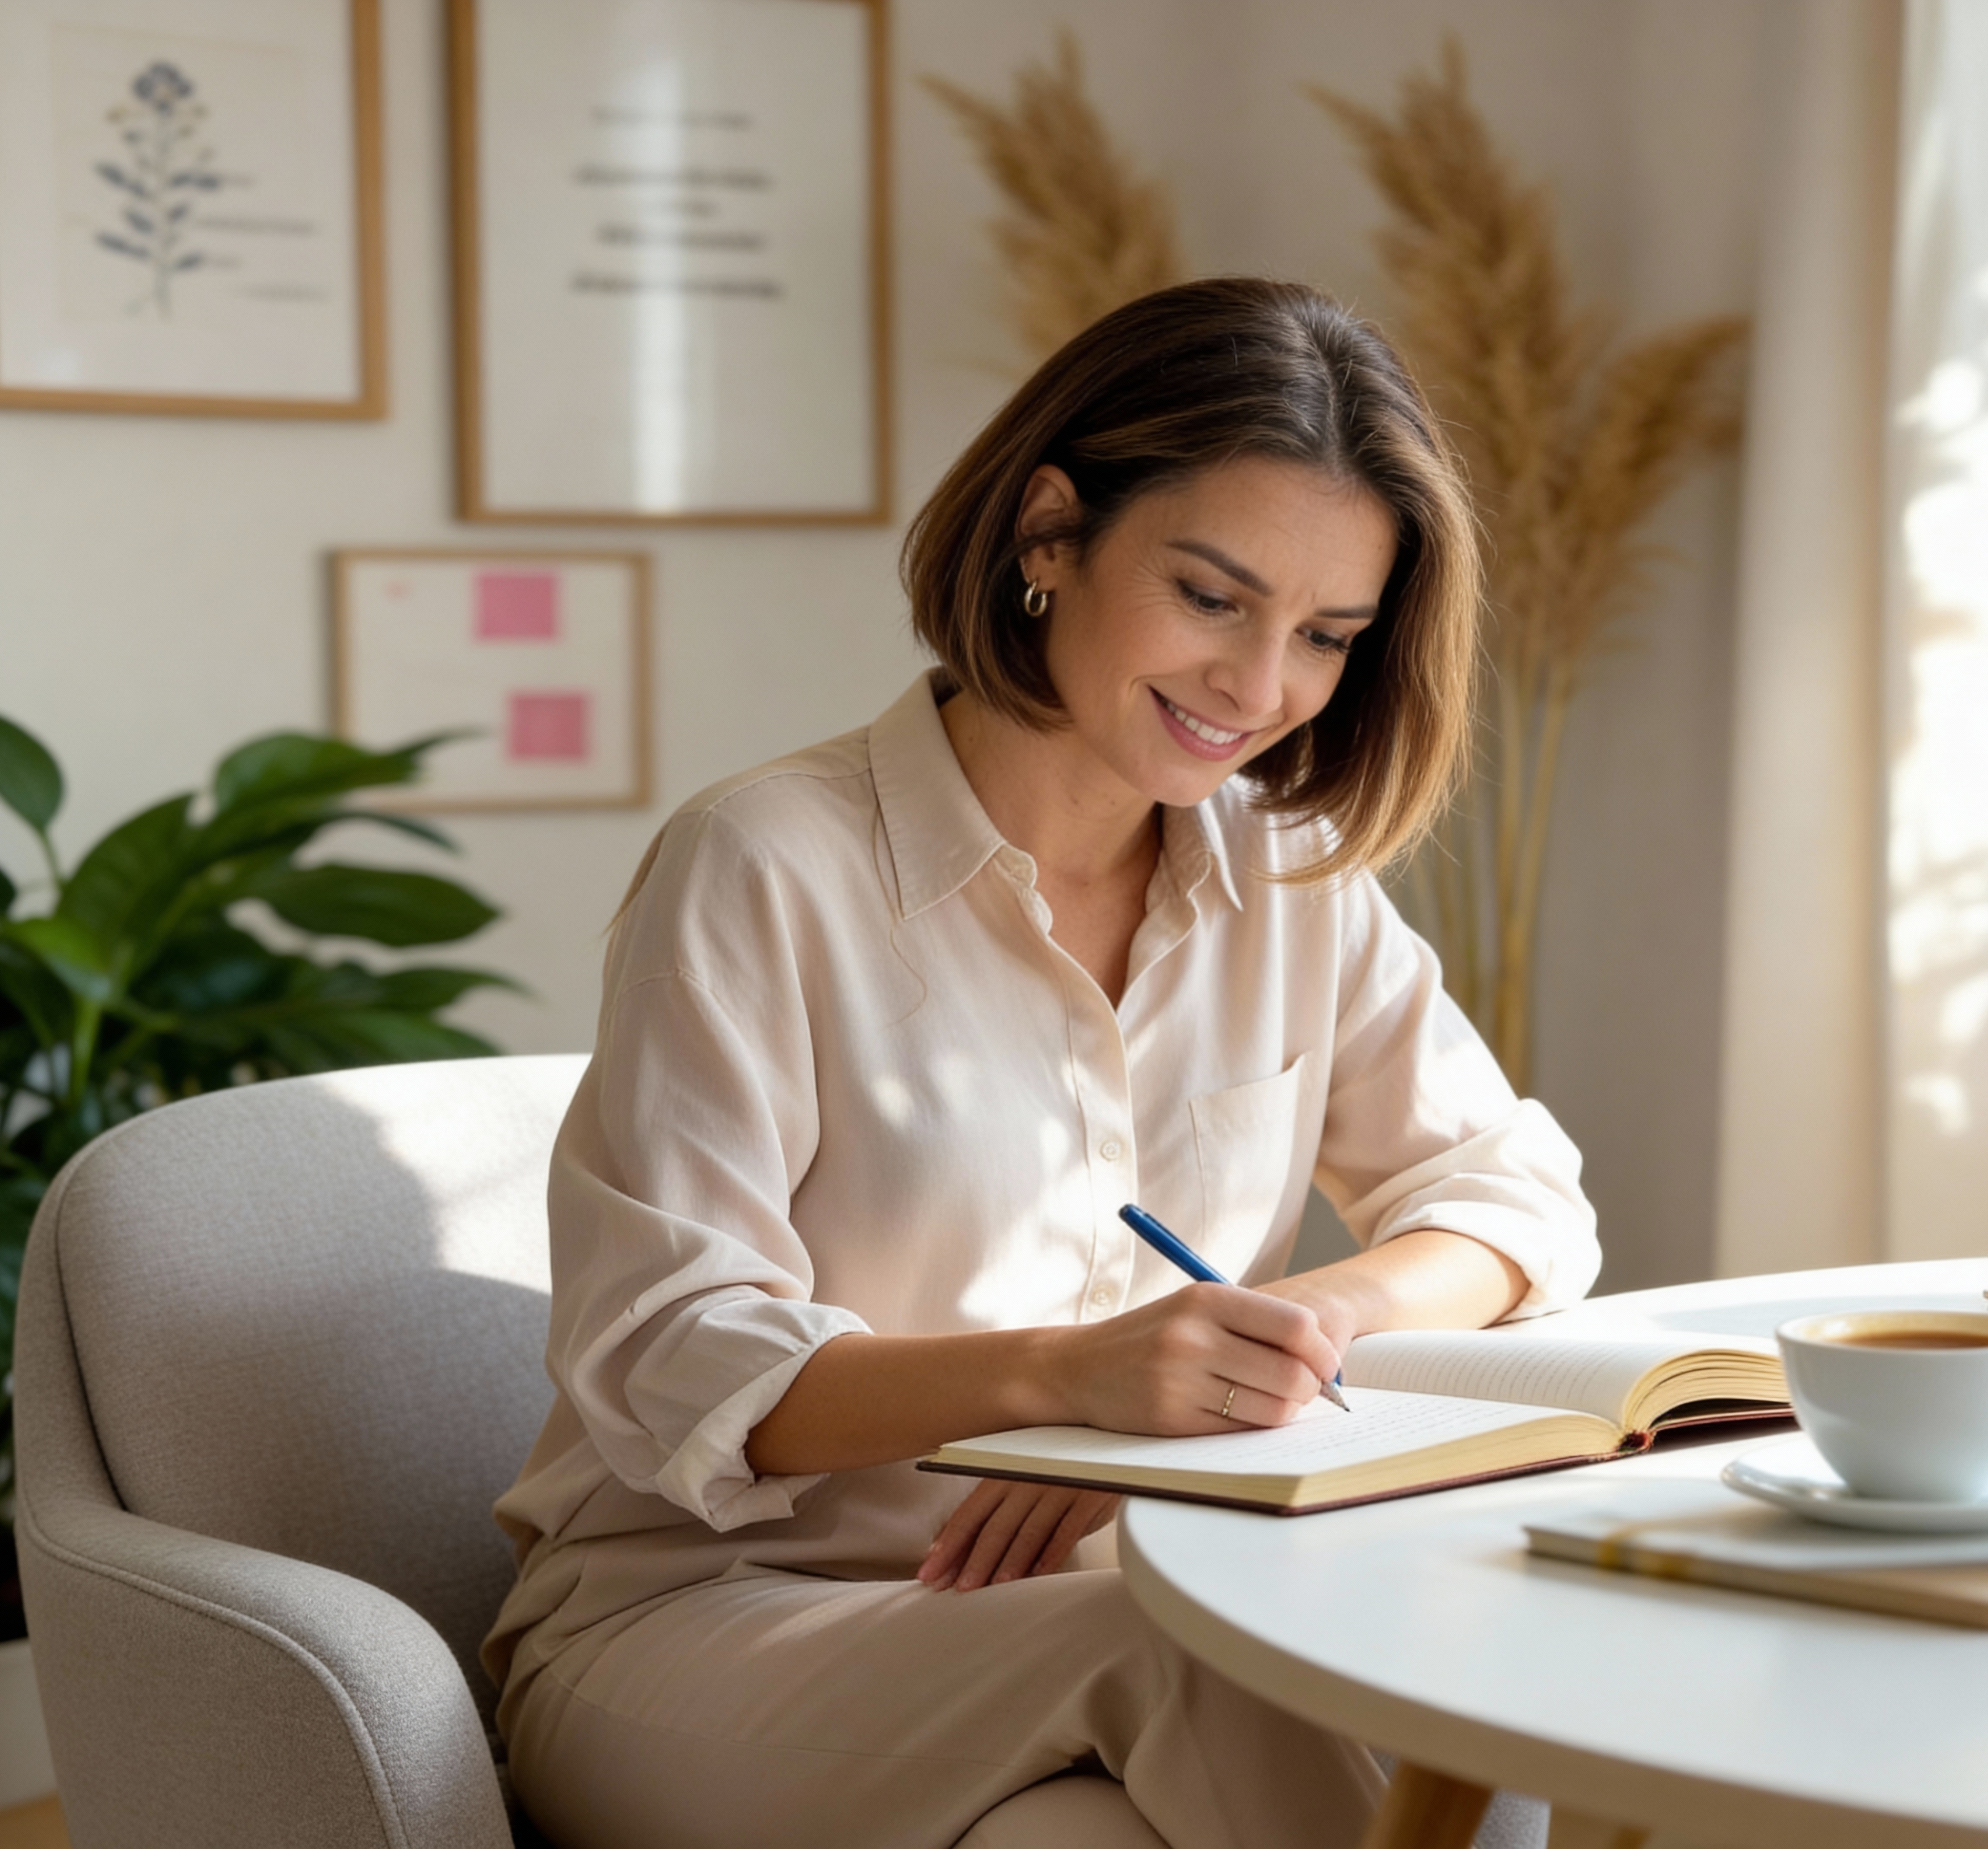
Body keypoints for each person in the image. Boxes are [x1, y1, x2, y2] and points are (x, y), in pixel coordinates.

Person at [480, 277, 1601, 1849]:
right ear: (1051, 533)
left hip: (1083, 1609)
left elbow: (1516, 1200)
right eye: (1213, 597)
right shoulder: (764, 864)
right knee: (1240, 1660)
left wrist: (1293, 1330)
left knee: (1408, 1670)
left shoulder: (1293, 876)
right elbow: (677, 1350)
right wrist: (1071, 1385)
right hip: (716, 1623)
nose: (1259, 688)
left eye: (1327, 636)